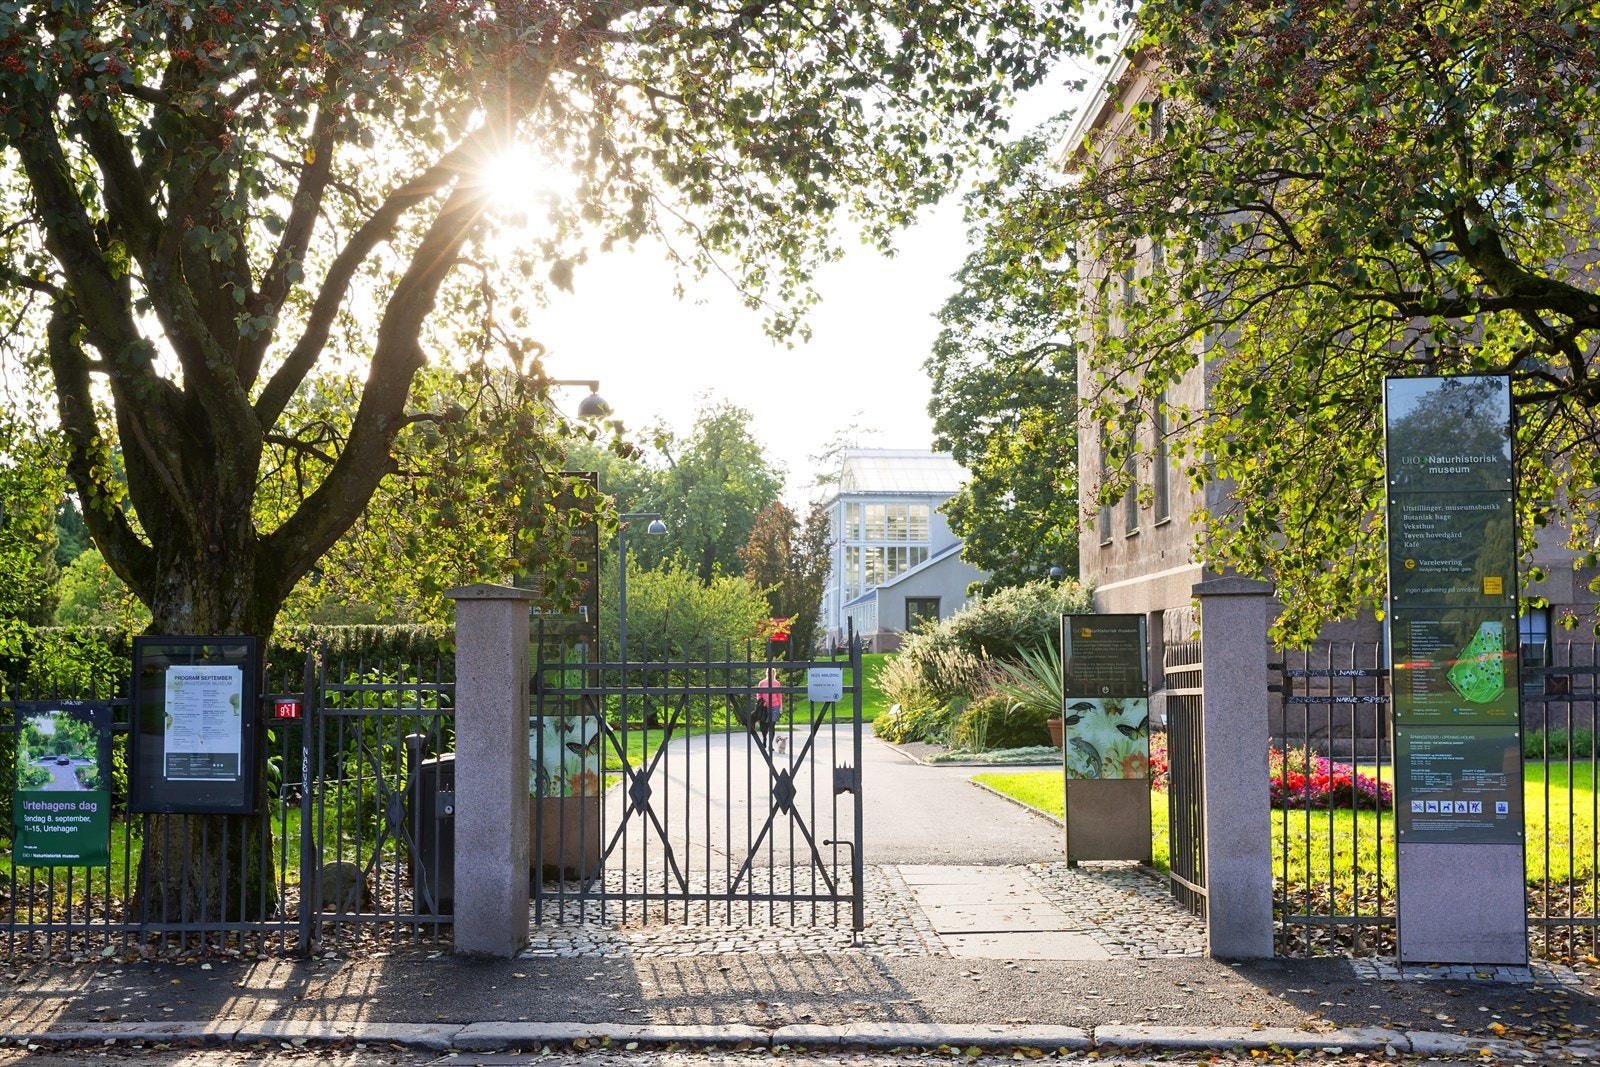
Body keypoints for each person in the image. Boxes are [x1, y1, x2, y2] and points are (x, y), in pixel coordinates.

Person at [754, 667, 784, 752]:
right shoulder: (762, 683)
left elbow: (779, 695)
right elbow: (759, 694)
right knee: (764, 726)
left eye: (772, 673)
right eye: (768, 673)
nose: (770, 674)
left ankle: (770, 745)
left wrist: (781, 706)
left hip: (775, 706)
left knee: (772, 725)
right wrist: (762, 702)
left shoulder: (777, 683)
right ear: (766, 673)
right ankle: (764, 739)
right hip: (765, 707)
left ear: (774, 674)